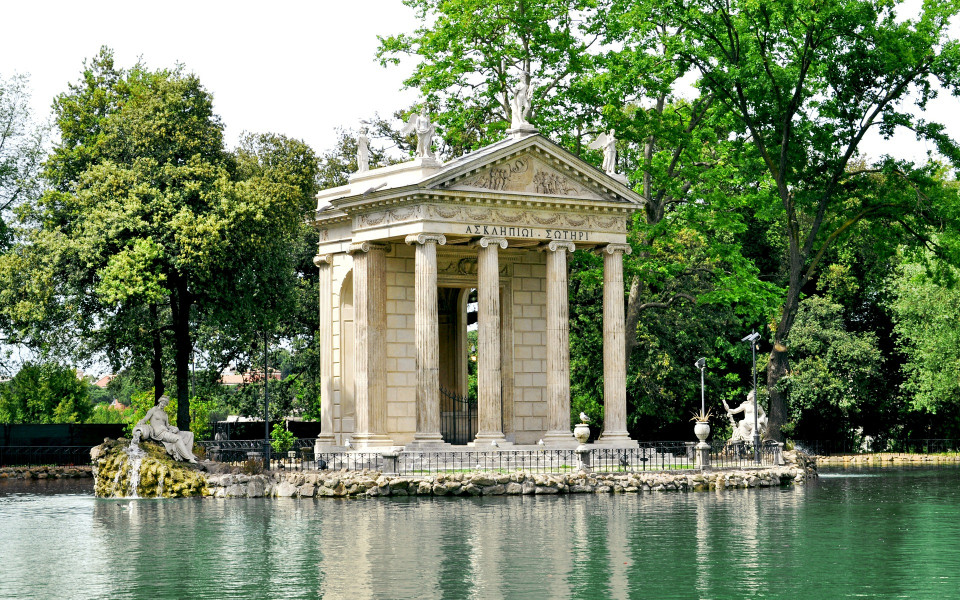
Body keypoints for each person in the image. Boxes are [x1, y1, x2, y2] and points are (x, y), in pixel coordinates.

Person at [132, 395, 199, 463]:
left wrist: (175, 428)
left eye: (165, 403)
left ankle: (190, 454)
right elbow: (144, 420)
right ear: (159, 402)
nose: (163, 404)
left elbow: (167, 425)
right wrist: (139, 425)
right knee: (177, 438)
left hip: (166, 430)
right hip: (159, 433)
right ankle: (188, 458)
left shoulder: (165, 414)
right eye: (162, 402)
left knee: (190, 434)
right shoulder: (153, 410)